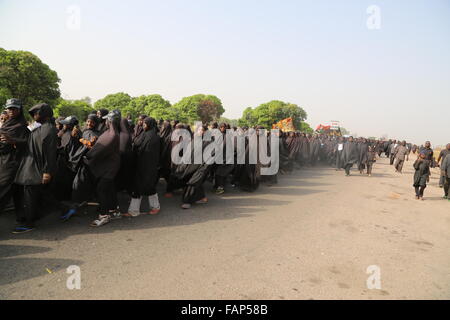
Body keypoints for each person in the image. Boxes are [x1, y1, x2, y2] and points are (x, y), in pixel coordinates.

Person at [13, 103, 58, 233]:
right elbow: (25, 136)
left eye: (37, 113)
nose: (34, 116)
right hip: (28, 164)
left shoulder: (49, 129)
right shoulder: (36, 126)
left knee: (30, 194)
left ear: (44, 114)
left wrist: (47, 172)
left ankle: (29, 223)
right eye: (33, 114)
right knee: (36, 194)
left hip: (38, 167)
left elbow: (50, 153)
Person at [86, 110, 121, 227]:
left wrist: (89, 155)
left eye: (107, 120)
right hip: (111, 166)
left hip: (109, 168)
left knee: (101, 189)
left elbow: (99, 149)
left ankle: (104, 215)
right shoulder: (113, 132)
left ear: (110, 121)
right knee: (109, 188)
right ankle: (114, 210)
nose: (105, 121)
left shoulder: (111, 135)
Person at [125, 117, 161, 217]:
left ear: (150, 124)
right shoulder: (144, 133)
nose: (143, 125)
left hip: (149, 167)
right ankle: (133, 211)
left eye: (145, 124)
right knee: (137, 187)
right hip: (140, 165)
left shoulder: (155, 137)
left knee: (149, 187)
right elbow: (136, 143)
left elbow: (154, 154)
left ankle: (155, 207)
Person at [0, 99, 29, 214]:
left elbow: (27, 142)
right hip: (3, 160)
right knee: (17, 192)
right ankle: (22, 217)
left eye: (14, 108)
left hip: (13, 162)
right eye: (9, 108)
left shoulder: (21, 125)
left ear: (19, 109)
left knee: (3, 189)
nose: (11, 111)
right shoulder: (8, 123)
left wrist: (12, 141)